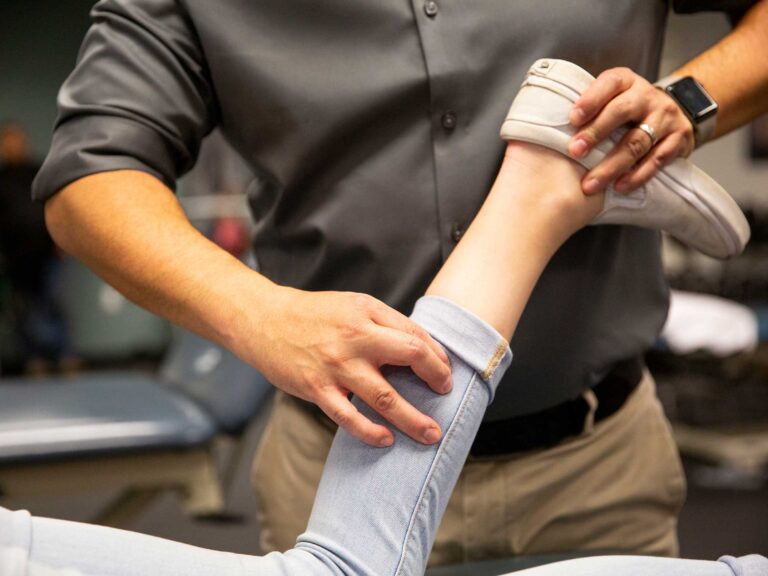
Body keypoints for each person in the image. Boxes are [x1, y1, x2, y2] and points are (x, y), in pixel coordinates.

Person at [31, 0, 768, 563]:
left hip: (594, 460)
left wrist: (690, 102)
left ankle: (551, 182)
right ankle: (545, 184)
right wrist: (255, 312)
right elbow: (89, 172)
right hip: (340, 461)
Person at [0, 123, 71, 374]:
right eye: (7, 141)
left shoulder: (39, 171)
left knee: (52, 304)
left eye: (16, 140)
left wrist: (61, 242)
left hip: (46, 252)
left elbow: (58, 206)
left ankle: (62, 356)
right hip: (16, 257)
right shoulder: (3, 178)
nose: (13, 145)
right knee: (24, 309)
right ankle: (34, 360)